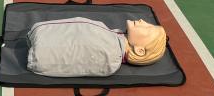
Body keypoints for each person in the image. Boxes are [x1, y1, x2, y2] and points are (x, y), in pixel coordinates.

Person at [27, 18, 167, 77]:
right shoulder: (111, 42)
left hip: (40, 42)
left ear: (139, 50)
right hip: (40, 45)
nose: (143, 21)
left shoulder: (110, 53)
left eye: (148, 28)